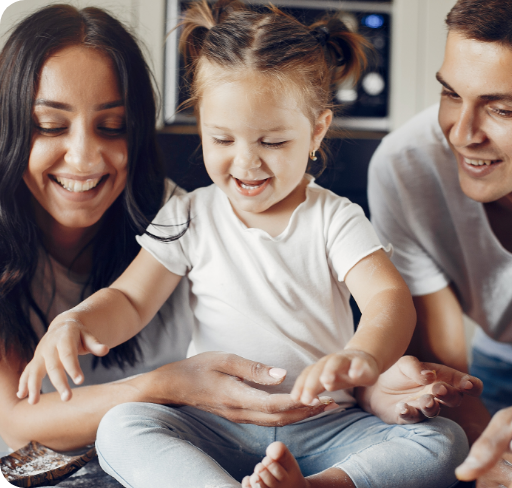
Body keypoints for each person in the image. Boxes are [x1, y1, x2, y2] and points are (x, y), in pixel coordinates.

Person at [17, 2, 479, 487]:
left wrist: (364, 355)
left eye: (273, 142)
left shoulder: (334, 218)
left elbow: (388, 299)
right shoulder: (189, 214)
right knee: (121, 425)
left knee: (444, 442)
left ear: (316, 130)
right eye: (222, 139)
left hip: (323, 423)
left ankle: (316, 486)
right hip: (213, 425)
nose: (246, 163)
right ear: (201, 125)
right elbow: (130, 300)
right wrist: (76, 321)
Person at [0, 3, 349, 455]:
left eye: (112, 126)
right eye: (49, 126)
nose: (84, 158)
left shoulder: (179, 215)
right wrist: (167, 386)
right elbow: (16, 421)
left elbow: (302, 337)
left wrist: (368, 382)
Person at [368, 1, 512, 487]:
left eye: (503, 109)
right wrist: (481, 450)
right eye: (451, 94)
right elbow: (449, 369)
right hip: (504, 366)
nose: (462, 133)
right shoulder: (407, 167)